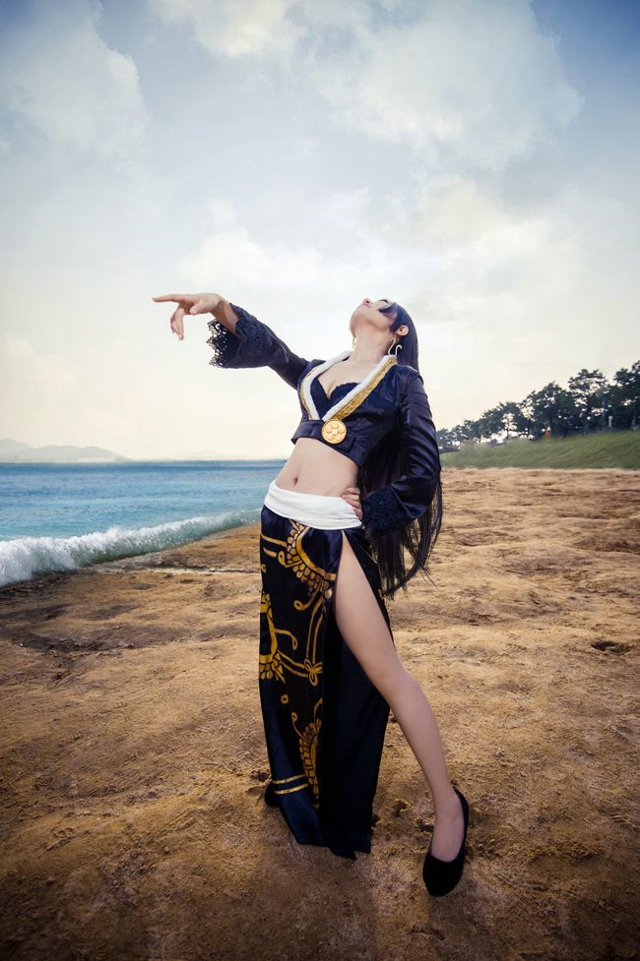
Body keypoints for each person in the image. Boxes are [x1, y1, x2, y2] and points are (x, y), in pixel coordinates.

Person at [152, 291, 470, 896]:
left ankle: (449, 808)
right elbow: (274, 352)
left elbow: (425, 469)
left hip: (330, 529)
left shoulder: (401, 381)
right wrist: (219, 307)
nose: (368, 298)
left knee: (384, 672)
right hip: (277, 520)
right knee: (291, 661)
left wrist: (374, 506)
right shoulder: (320, 372)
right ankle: (300, 775)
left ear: (398, 330)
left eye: (383, 301)